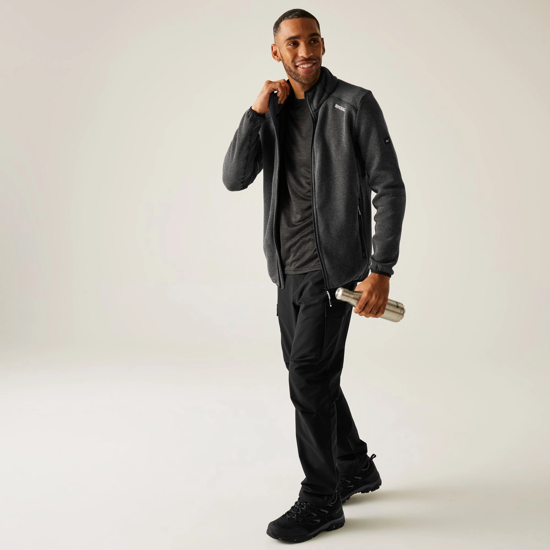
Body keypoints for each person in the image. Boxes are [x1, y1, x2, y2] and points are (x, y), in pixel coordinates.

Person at [222, 8, 406, 543]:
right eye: (293, 43)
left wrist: (381, 270)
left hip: (335, 277)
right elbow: (234, 177)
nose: (306, 51)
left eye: (313, 40)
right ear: (276, 52)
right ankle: (354, 465)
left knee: (307, 376)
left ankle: (321, 497)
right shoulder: (274, 111)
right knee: (314, 377)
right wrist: (255, 111)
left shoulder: (354, 104)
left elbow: (389, 187)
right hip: (288, 273)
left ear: (323, 45)